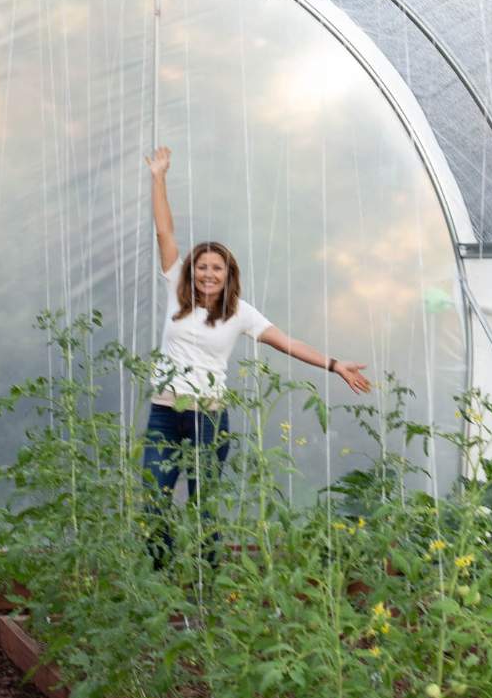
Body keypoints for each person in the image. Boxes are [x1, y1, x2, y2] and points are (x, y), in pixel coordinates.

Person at [143, 147, 370, 565]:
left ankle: (206, 585)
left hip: (208, 417)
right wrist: (159, 177)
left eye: (218, 269)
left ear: (229, 276)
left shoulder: (240, 313)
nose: (208, 274)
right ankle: (159, 579)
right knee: (153, 500)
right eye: (202, 267)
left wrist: (336, 365)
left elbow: (288, 342)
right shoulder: (175, 286)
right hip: (164, 412)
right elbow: (165, 233)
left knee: (204, 504)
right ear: (190, 270)